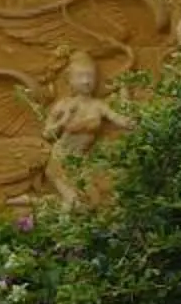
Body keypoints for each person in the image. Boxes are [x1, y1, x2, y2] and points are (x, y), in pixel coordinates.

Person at [38, 51, 131, 204]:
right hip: (59, 160)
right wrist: (63, 121)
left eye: (90, 76)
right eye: (81, 76)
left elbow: (117, 118)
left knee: (90, 199)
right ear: (70, 79)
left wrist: (128, 121)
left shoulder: (98, 105)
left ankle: (46, 209)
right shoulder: (64, 105)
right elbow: (47, 134)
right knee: (73, 200)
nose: (86, 81)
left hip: (80, 161)